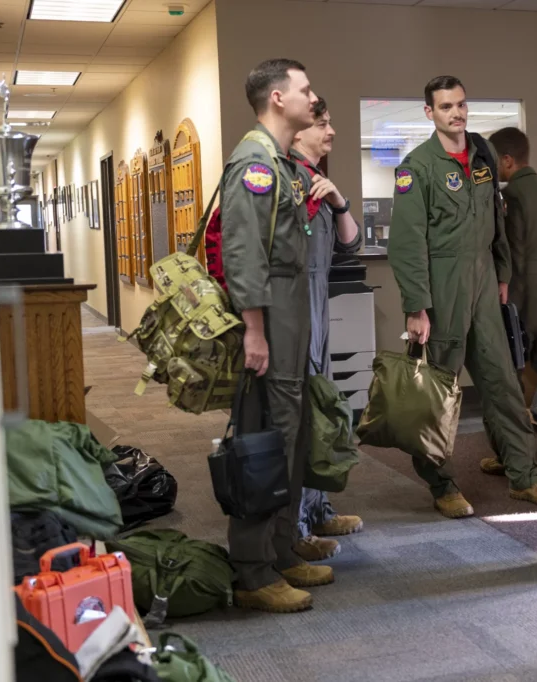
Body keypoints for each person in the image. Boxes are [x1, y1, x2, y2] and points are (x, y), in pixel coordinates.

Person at [388, 75, 537, 518]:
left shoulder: (481, 154)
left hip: (483, 280)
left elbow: (495, 219)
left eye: (461, 104)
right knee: (438, 391)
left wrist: (502, 271)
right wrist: (415, 306)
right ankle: (441, 483)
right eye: (446, 107)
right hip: (442, 284)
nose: (456, 113)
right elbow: (407, 242)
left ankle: (524, 473)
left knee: (502, 378)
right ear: (430, 113)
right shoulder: (416, 167)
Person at [221, 58, 330, 613]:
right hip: (271, 314)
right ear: (277, 99)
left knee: (293, 431)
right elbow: (244, 254)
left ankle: (283, 553)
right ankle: (254, 570)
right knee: (267, 439)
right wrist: (255, 330)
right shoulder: (255, 164)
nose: (313, 98)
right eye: (305, 90)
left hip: (291, 309)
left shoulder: (284, 163)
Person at [289, 97, 364, 562]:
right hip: (296, 312)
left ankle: (318, 510)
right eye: (322, 123)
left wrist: (339, 201)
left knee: (321, 412)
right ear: (299, 131)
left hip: (319, 308)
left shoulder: (317, 182)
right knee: (300, 422)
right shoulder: (287, 180)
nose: (330, 130)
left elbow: (350, 244)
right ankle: (296, 528)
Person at [479, 126, 537, 477]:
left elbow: (510, 253)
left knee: (506, 384)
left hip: (521, 300)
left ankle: (512, 457)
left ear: (507, 160)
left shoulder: (510, 197)